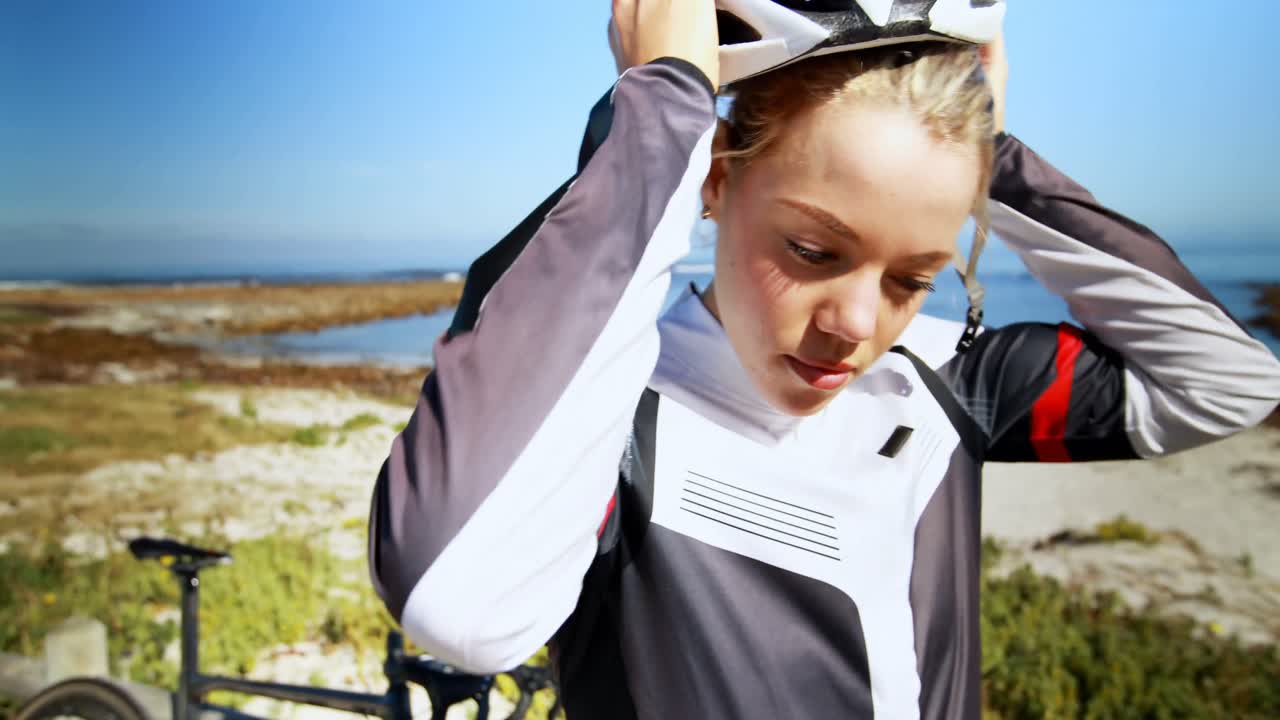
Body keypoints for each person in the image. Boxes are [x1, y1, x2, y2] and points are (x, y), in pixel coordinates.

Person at [367, 1, 1280, 717]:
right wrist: (663, 107)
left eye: (913, 277)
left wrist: (981, 154)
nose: (855, 324)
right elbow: (457, 603)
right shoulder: (614, 417)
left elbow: (1227, 380)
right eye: (812, 252)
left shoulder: (943, 381)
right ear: (714, 178)